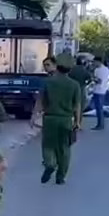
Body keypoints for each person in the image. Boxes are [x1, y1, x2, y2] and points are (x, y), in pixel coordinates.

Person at [33, 54, 83, 185]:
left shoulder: (48, 82)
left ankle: (50, 164)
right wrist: (77, 122)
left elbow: (40, 101)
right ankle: (61, 176)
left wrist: (34, 116)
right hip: (66, 119)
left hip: (50, 118)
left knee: (48, 146)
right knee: (65, 148)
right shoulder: (74, 85)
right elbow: (77, 104)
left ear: (57, 67)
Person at [91, 55, 109, 130]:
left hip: (100, 90)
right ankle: (100, 124)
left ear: (98, 62)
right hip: (98, 90)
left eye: (94, 62)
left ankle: (100, 124)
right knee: (98, 108)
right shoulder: (98, 69)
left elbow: (99, 81)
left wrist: (93, 78)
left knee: (99, 108)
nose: (94, 63)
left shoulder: (102, 70)